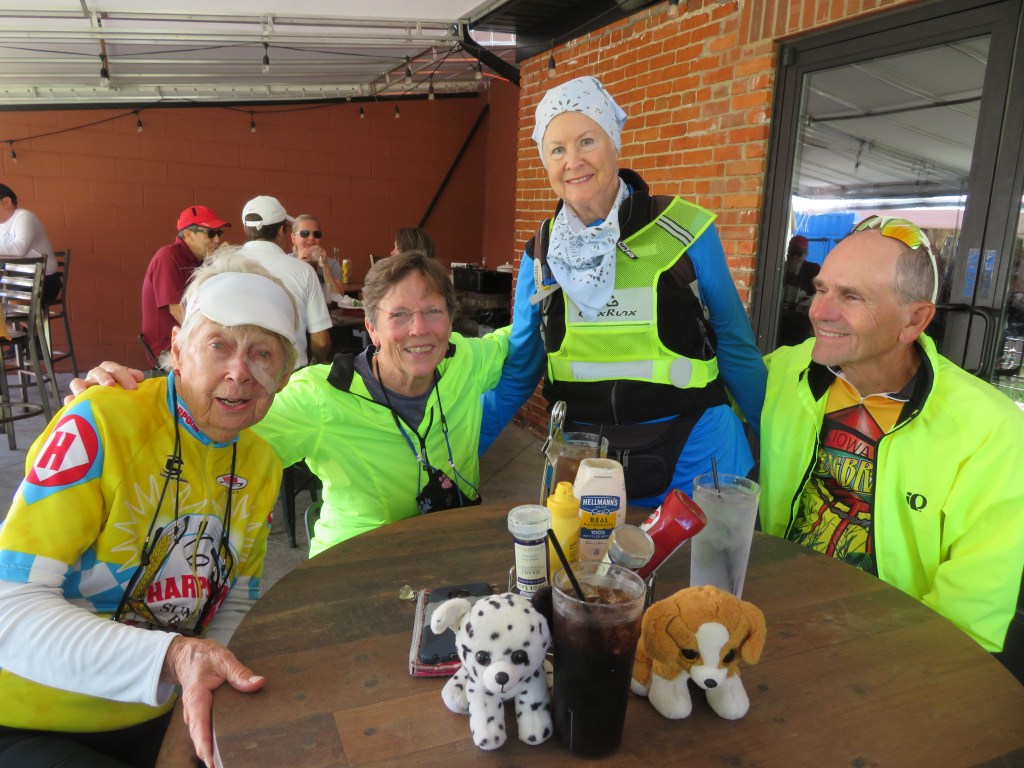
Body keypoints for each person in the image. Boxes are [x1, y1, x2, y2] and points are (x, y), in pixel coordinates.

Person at [0, 251, 299, 768]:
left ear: (285, 374)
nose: (239, 372)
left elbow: (233, 608)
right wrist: (176, 657)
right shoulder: (101, 420)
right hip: (31, 717)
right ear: (178, 351)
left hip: (159, 713)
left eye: (263, 354)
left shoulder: (261, 465)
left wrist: (181, 739)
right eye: (219, 345)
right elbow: (10, 610)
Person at [70, 251, 512, 558]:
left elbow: (523, 337)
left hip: (453, 549)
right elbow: (209, 425)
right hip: (355, 566)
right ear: (372, 328)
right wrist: (127, 402)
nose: (419, 329)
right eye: (399, 315)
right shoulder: (320, 396)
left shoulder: (465, 359)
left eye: (433, 311)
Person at [480, 76, 766, 498]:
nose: (573, 161)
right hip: (585, 466)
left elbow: (736, 348)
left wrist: (777, 452)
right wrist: (451, 456)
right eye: (557, 149)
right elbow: (520, 371)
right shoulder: (541, 254)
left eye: (587, 141)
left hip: (698, 456)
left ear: (614, 142)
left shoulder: (684, 231)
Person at [760, 215, 1024, 653]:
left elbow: (968, 619)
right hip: (775, 611)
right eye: (821, 289)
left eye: (852, 296)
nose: (819, 311)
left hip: (892, 646)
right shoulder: (789, 369)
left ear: (914, 320)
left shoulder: (991, 429)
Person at [241, 195, 333, 369]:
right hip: (290, 375)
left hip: (239, 374)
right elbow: (321, 342)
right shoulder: (303, 271)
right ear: (282, 231)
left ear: (246, 228)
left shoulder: (220, 266)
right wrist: (320, 363)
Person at [141, 204, 229, 358]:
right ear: (188, 234)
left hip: (189, 341)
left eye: (219, 233)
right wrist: (209, 338)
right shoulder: (168, 257)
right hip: (169, 347)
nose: (216, 239)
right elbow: (178, 310)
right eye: (210, 233)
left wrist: (222, 261)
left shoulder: (201, 260)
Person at [0, 183, 61, 302]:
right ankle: (9, 313)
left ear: (6, 202)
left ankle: (10, 313)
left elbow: (20, 248)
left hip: (43, 281)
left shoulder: (24, 217)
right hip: (16, 278)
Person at [290, 213, 345, 301]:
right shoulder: (286, 261)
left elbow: (340, 298)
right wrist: (299, 266)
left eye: (316, 234)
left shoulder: (332, 264)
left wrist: (325, 267)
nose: (311, 238)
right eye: (305, 233)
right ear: (293, 238)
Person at [778, 234, 820, 346]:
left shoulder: (812, 270)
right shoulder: (780, 269)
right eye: (792, 252)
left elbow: (820, 293)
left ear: (806, 254)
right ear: (788, 252)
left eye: (799, 253)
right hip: (781, 324)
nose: (795, 257)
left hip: (803, 325)